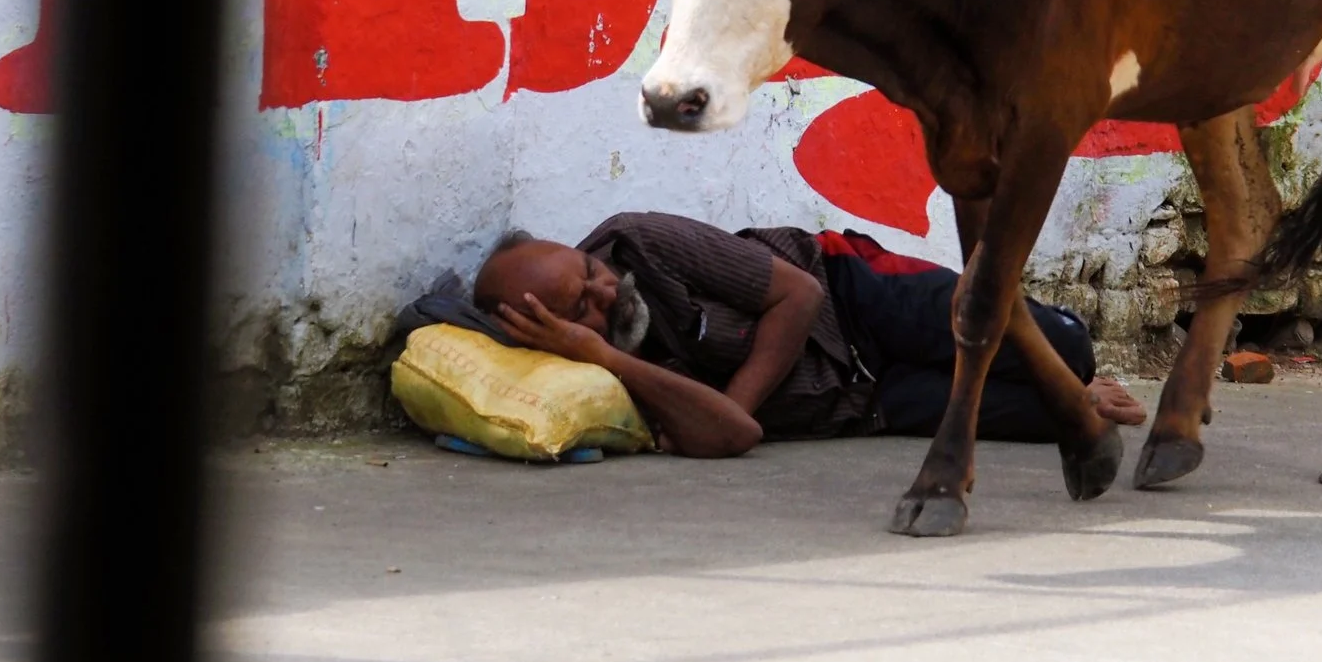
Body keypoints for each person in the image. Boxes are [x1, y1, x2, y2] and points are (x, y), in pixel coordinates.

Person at [472, 211, 1147, 458]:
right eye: (580, 308)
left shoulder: (642, 240)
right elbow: (735, 438)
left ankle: (1075, 371)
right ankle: (1080, 392)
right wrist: (602, 355)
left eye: (590, 271)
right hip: (859, 403)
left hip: (855, 296)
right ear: (549, 335)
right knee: (1060, 415)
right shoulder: (592, 385)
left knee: (1067, 348)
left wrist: (732, 404)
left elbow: (799, 294)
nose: (607, 290)